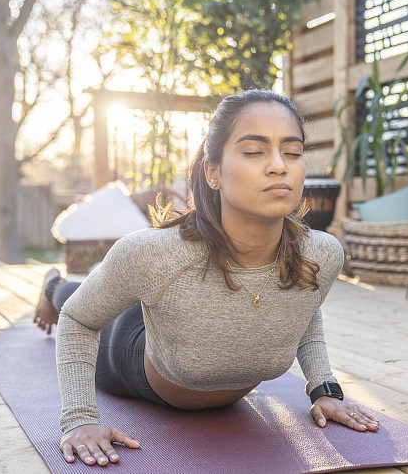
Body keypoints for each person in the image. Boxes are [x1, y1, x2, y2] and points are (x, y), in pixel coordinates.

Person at [32, 89, 380, 467]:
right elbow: (80, 320)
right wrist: (80, 419)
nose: (279, 165)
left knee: (109, 289)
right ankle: (51, 285)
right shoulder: (153, 253)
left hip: (188, 332)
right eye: (254, 151)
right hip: (135, 354)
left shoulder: (322, 254)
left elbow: (302, 307)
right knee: (78, 297)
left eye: (293, 152)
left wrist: (323, 388)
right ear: (213, 172)